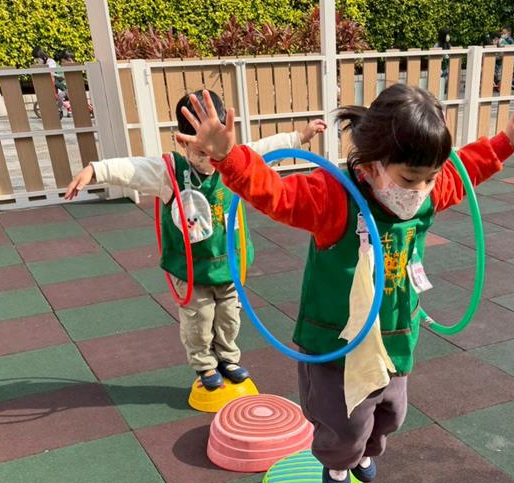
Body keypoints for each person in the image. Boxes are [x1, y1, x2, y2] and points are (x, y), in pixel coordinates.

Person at [175, 85, 514, 483]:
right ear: (371, 164)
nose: (420, 190)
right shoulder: (334, 198)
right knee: (346, 423)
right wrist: (228, 156)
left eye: (430, 178)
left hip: (394, 336)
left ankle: (366, 449)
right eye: (409, 178)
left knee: (392, 412)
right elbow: (277, 195)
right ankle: (338, 461)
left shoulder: (425, 195)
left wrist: (508, 141)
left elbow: (466, 170)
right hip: (339, 342)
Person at [65, 90, 327, 391]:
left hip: (228, 264)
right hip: (191, 270)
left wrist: (300, 137)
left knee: (229, 316)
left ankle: (228, 357)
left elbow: (266, 148)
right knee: (199, 320)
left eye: (216, 151)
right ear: (183, 142)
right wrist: (95, 170)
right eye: (202, 152)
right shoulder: (169, 173)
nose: (211, 159)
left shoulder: (233, 160)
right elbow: (133, 169)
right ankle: (204, 364)